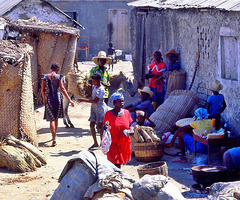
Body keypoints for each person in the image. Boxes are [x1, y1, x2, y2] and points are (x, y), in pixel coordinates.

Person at [42, 63, 74, 147]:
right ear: (57, 70)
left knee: (51, 119)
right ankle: (55, 135)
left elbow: (43, 90)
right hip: (57, 98)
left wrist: (44, 99)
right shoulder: (59, 77)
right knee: (56, 118)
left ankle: (53, 138)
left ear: (51, 68)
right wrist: (70, 100)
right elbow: (62, 89)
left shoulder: (45, 77)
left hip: (49, 98)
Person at [78, 73, 108, 150]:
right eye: (93, 81)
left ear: (99, 80)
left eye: (95, 81)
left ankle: (102, 143)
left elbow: (95, 101)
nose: (94, 83)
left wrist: (83, 100)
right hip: (94, 108)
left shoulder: (101, 89)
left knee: (100, 126)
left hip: (100, 108)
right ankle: (95, 142)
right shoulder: (95, 86)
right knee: (92, 125)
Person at [103, 92, 133, 168]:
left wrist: (131, 130)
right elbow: (104, 125)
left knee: (120, 159)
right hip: (113, 141)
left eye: (122, 101)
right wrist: (104, 127)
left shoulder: (126, 112)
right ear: (114, 102)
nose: (122, 103)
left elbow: (130, 124)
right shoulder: (108, 114)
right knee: (115, 161)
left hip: (124, 141)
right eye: (119, 101)